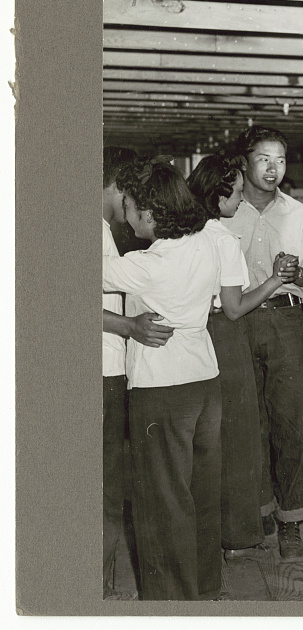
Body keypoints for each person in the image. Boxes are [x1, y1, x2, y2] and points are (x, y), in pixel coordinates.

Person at [102, 158, 224, 599]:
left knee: (161, 499)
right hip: (205, 379)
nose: (126, 212)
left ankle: (171, 604)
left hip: (162, 385)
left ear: (151, 214)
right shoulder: (205, 244)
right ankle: (206, 588)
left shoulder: (145, 264)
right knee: (201, 491)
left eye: (130, 205)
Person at [221, 125, 303, 563]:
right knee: (248, 423)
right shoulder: (225, 212)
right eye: (264, 158)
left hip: (287, 320)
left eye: (280, 160)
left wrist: (299, 275)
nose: (273, 168)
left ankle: (292, 521)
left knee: (290, 421)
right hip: (238, 323)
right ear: (244, 161)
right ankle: (257, 513)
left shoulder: (298, 214)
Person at [187, 153, 299, 562]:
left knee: (207, 437)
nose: (239, 201)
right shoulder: (222, 238)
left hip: (200, 335)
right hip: (229, 338)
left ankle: (207, 533)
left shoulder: (186, 232)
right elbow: (234, 307)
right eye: (234, 194)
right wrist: (275, 280)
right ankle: (235, 534)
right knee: (238, 439)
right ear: (217, 198)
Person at [101, 146, 175, 598]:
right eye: (132, 200)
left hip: (109, 368)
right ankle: (98, 594)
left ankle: (100, 586)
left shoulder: (104, 231)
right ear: (119, 187)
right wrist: (129, 326)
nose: (133, 216)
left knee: (107, 489)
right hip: (102, 371)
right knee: (107, 492)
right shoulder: (91, 229)